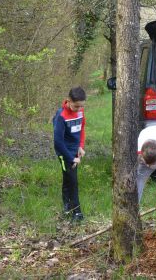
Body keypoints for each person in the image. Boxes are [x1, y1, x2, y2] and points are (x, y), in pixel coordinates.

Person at [53, 86, 87, 222]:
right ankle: (76, 212)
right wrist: (71, 158)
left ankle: (67, 207)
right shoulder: (61, 116)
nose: (79, 109)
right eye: (76, 106)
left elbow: (82, 128)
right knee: (73, 182)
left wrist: (81, 146)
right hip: (64, 153)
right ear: (68, 101)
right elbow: (58, 142)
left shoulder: (80, 112)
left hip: (75, 151)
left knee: (68, 179)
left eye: (81, 106)